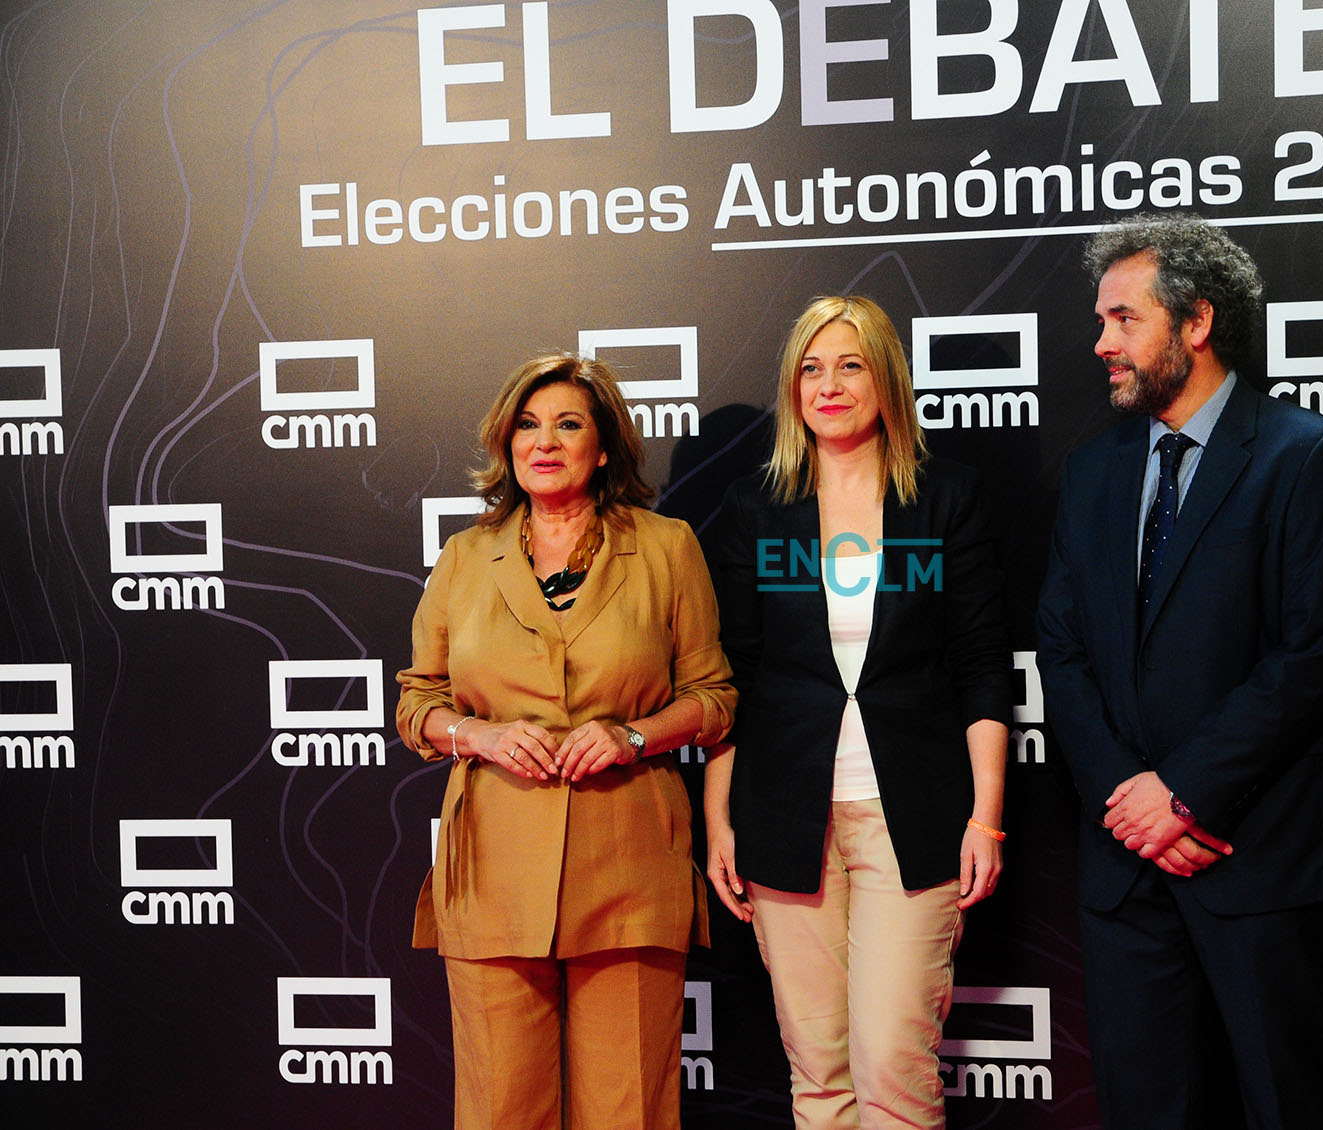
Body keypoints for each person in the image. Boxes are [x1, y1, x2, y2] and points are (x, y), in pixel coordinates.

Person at [1035, 214, 1323, 1130]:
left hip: (1256, 852)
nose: (1100, 343)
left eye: (1122, 319)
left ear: (1195, 323)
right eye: (1100, 321)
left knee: (1284, 1104)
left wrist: (1183, 793)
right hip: (1126, 866)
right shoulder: (1092, 469)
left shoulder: (1303, 454)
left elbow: (1312, 652)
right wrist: (1129, 801)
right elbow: (1060, 652)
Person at [396, 353, 735, 1130]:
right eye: (526, 424)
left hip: (627, 866)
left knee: (631, 1113)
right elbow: (418, 703)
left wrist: (632, 734)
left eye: (567, 424)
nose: (543, 441)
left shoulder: (666, 548)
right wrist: (474, 733)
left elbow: (713, 700)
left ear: (604, 446)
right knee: (500, 1112)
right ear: (506, 443)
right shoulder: (463, 558)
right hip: (493, 876)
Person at [704, 295, 1011, 1129]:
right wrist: (718, 821)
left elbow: (983, 665)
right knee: (821, 1071)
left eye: (849, 365)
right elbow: (731, 676)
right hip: (781, 814)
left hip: (910, 814)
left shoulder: (945, 499)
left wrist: (986, 819)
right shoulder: (752, 508)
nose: (828, 386)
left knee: (892, 1067)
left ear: (887, 379)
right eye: (810, 368)